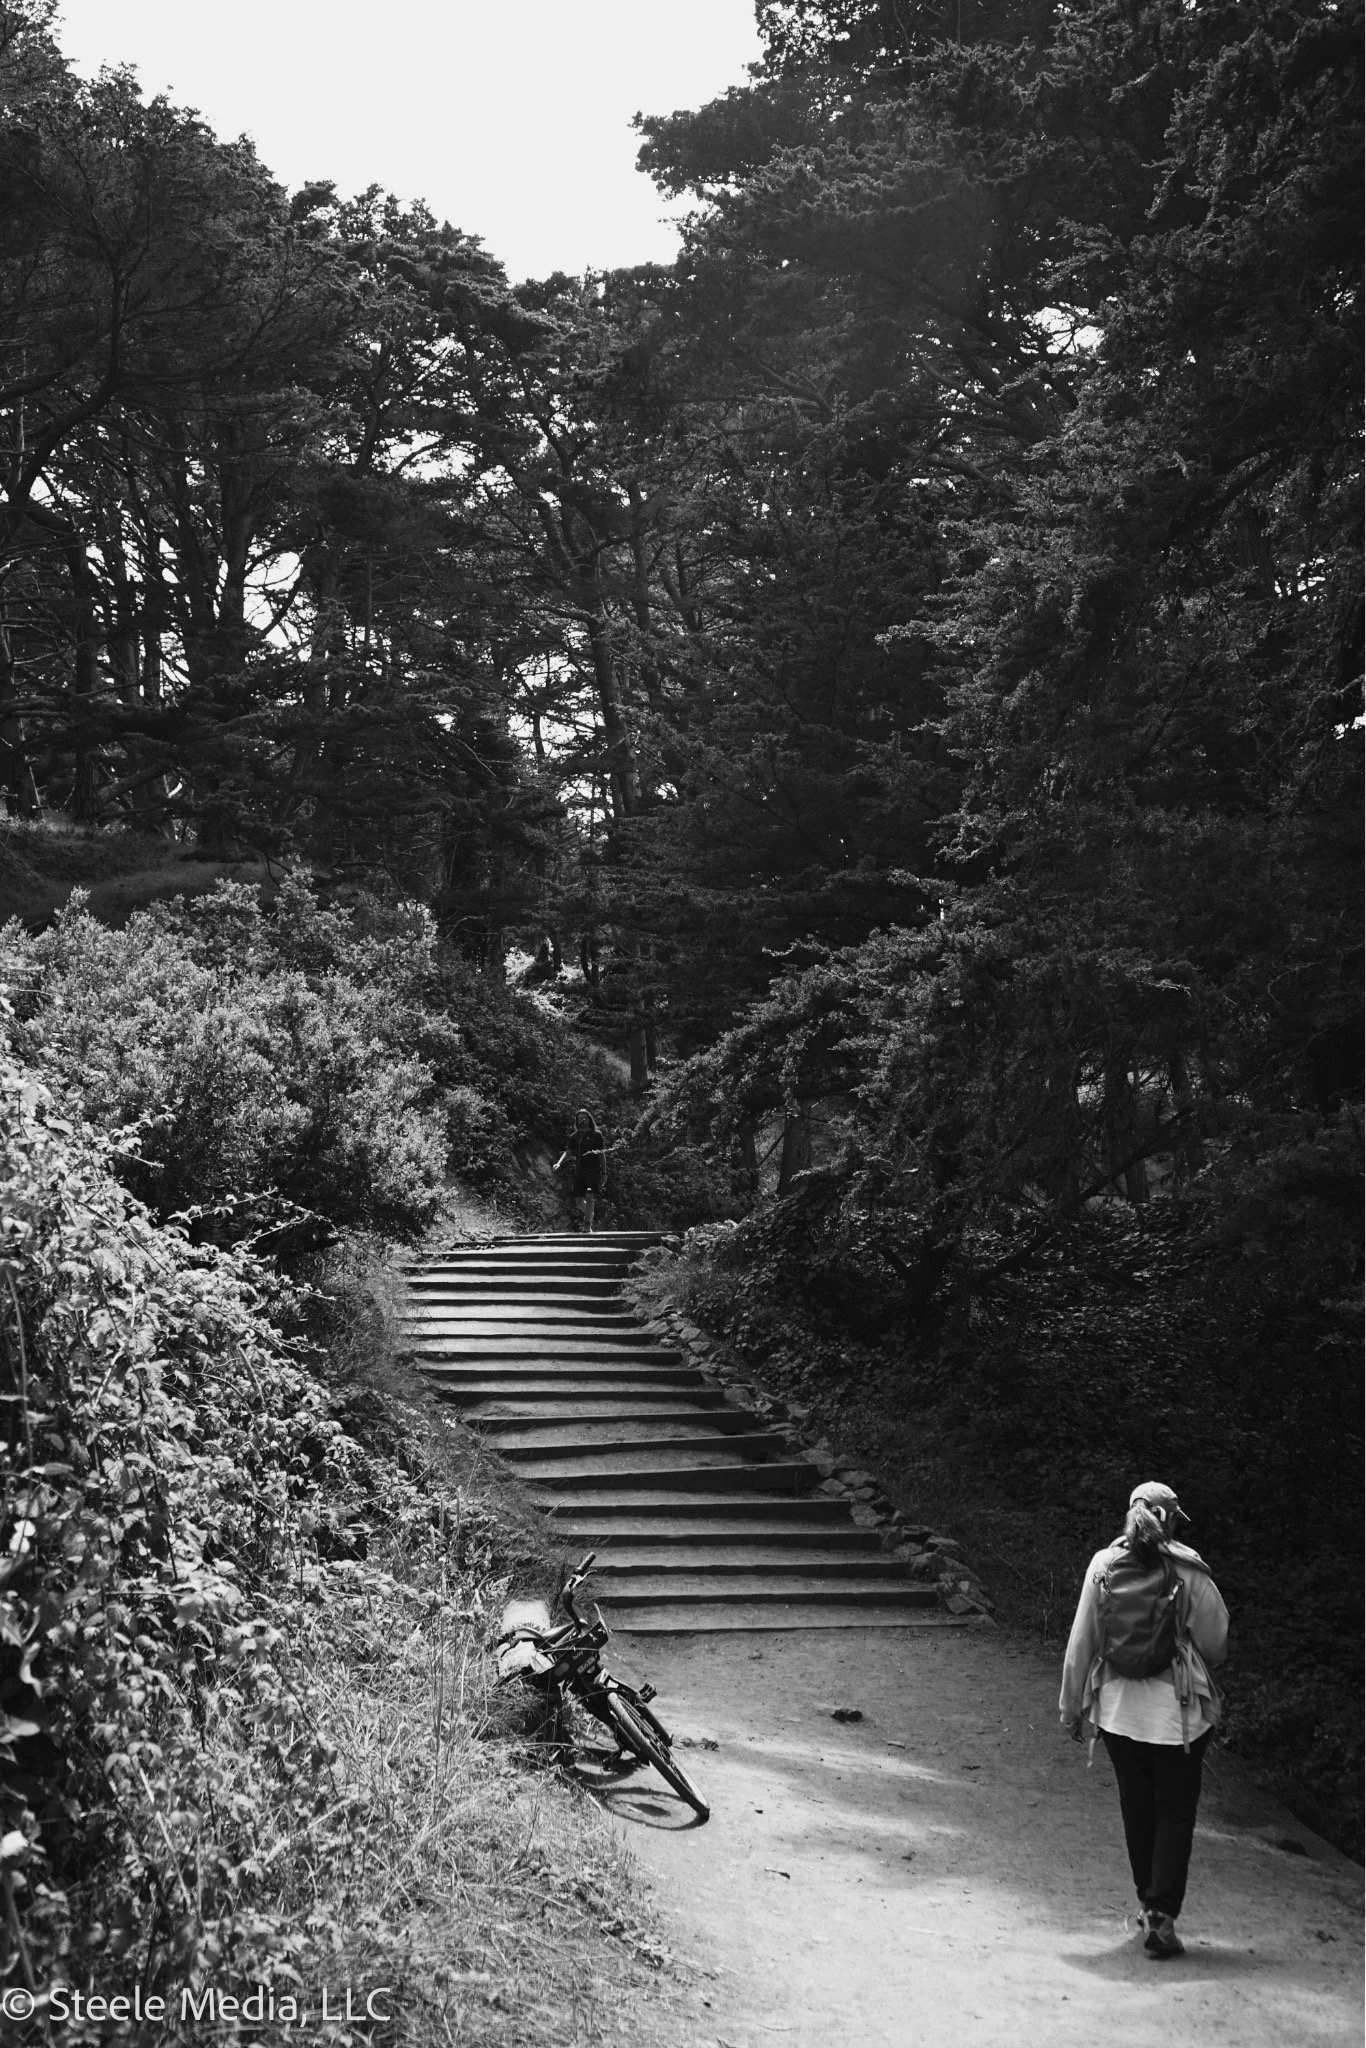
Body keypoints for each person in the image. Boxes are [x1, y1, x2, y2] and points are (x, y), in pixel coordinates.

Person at [1059, 1480, 1229, 1959]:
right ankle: (1161, 1915)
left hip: (1117, 1713)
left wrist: (1071, 1707)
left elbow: (1081, 1643)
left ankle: (1146, 1905)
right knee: (1175, 1813)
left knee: (1138, 1807)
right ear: (1171, 1519)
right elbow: (1217, 1644)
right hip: (1177, 1719)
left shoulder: (1102, 1565)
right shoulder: (1189, 1570)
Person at [554, 1109, 606, 1232]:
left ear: (589, 1119)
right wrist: (559, 1163)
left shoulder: (596, 1135)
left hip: (592, 1171)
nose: (582, 1120)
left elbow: (602, 1154)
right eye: (580, 1118)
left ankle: (587, 1224)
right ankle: (590, 1213)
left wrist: (604, 1172)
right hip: (579, 1171)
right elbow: (568, 1151)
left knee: (589, 1196)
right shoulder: (575, 1136)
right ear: (577, 1121)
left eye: (585, 1117)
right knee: (578, 1200)